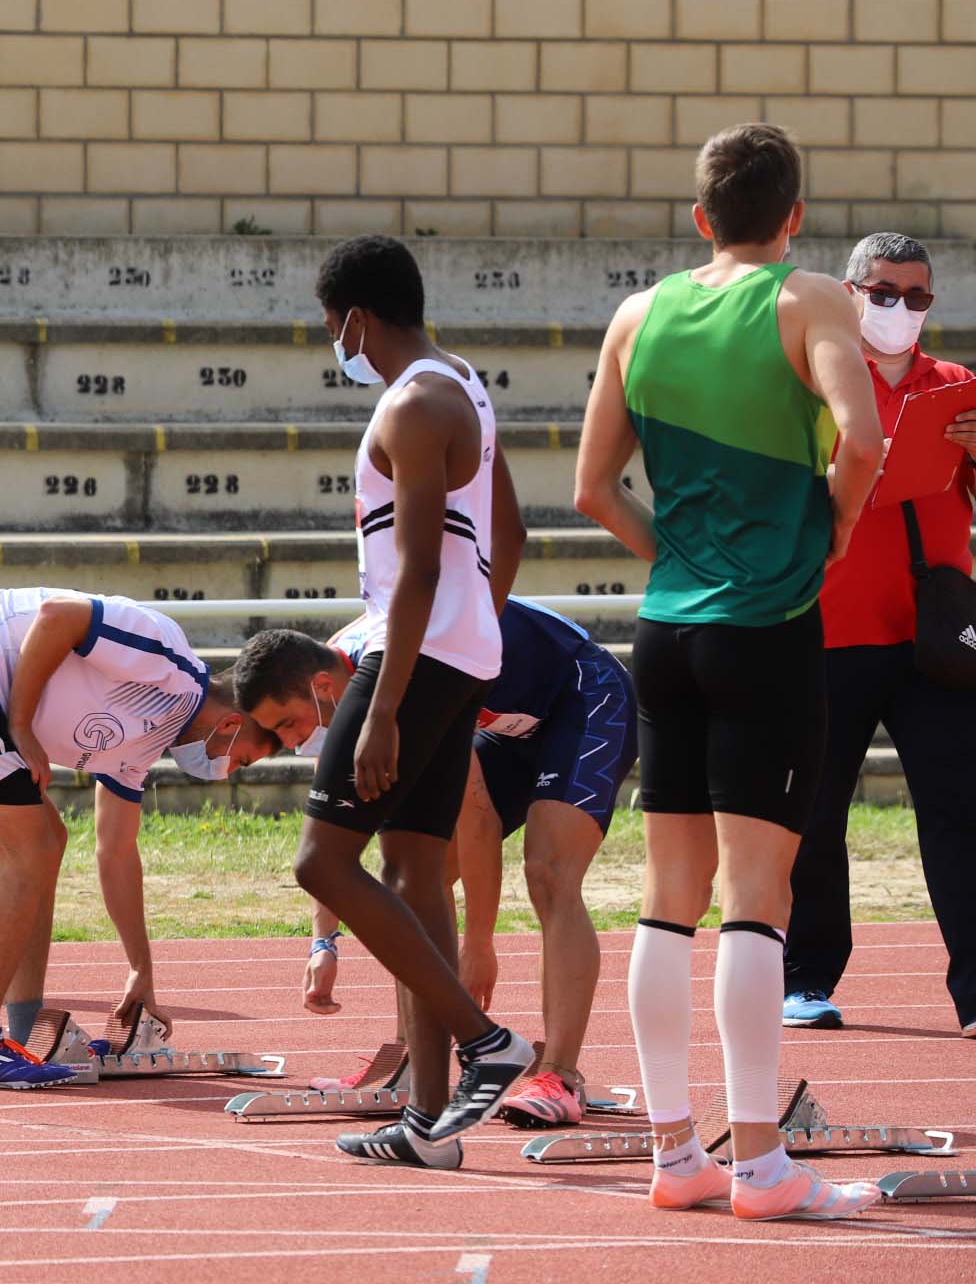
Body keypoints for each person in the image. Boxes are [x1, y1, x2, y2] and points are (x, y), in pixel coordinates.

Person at [576, 123, 886, 1221]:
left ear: (702, 216)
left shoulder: (637, 314)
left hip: (668, 629)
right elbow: (865, 438)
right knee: (758, 899)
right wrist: (835, 532)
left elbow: (594, 489)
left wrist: (684, 561)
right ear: (794, 215)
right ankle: (761, 1167)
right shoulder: (809, 301)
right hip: (768, 626)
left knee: (669, 900)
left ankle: (676, 1156)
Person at [236, 234, 533, 1169]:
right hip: (458, 652)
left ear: (357, 318)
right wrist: (473, 636)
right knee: (411, 871)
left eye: (335, 330)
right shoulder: (465, 383)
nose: (340, 346)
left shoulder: (413, 403)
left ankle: (487, 1042)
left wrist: (387, 706)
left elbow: (415, 570)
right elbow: (511, 530)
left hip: (412, 659)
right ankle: (430, 1125)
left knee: (322, 862)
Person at [250, 595, 640, 1127]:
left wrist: (479, 943)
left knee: (549, 873)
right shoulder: (339, 692)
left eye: (289, 725)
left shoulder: (395, 680)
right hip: (504, 722)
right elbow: (334, 844)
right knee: (411, 877)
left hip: (583, 697)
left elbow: (477, 822)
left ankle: (558, 1074)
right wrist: (325, 941)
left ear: (320, 688)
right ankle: (413, 1056)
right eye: (278, 736)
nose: (292, 742)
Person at [0, 586, 277, 1087]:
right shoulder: (169, 661)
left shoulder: (144, 747)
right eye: (242, 759)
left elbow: (117, 852)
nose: (229, 772)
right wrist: (20, 724)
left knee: (45, 843)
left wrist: (140, 969)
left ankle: (19, 1036)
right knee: (30, 850)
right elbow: (59, 616)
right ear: (232, 723)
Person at [784, 233, 976, 1041]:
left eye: (919, 296)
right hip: (829, 627)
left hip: (934, 635)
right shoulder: (815, 383)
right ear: (854, 291)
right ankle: (806, 979)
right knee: (816, 814)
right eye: (886, 291)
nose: (902, 309)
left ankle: (974, 987)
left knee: (960, 807)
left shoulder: (961, 387)